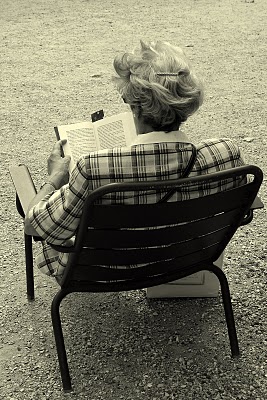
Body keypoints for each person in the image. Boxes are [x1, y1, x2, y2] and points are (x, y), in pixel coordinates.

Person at [24, 40, 245, 278]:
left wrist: (55, 177)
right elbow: (243, 211)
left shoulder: (92, 168)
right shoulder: (226, 153)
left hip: (101, 269)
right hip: (184, 259)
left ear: (136, 107)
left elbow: (34, 226)